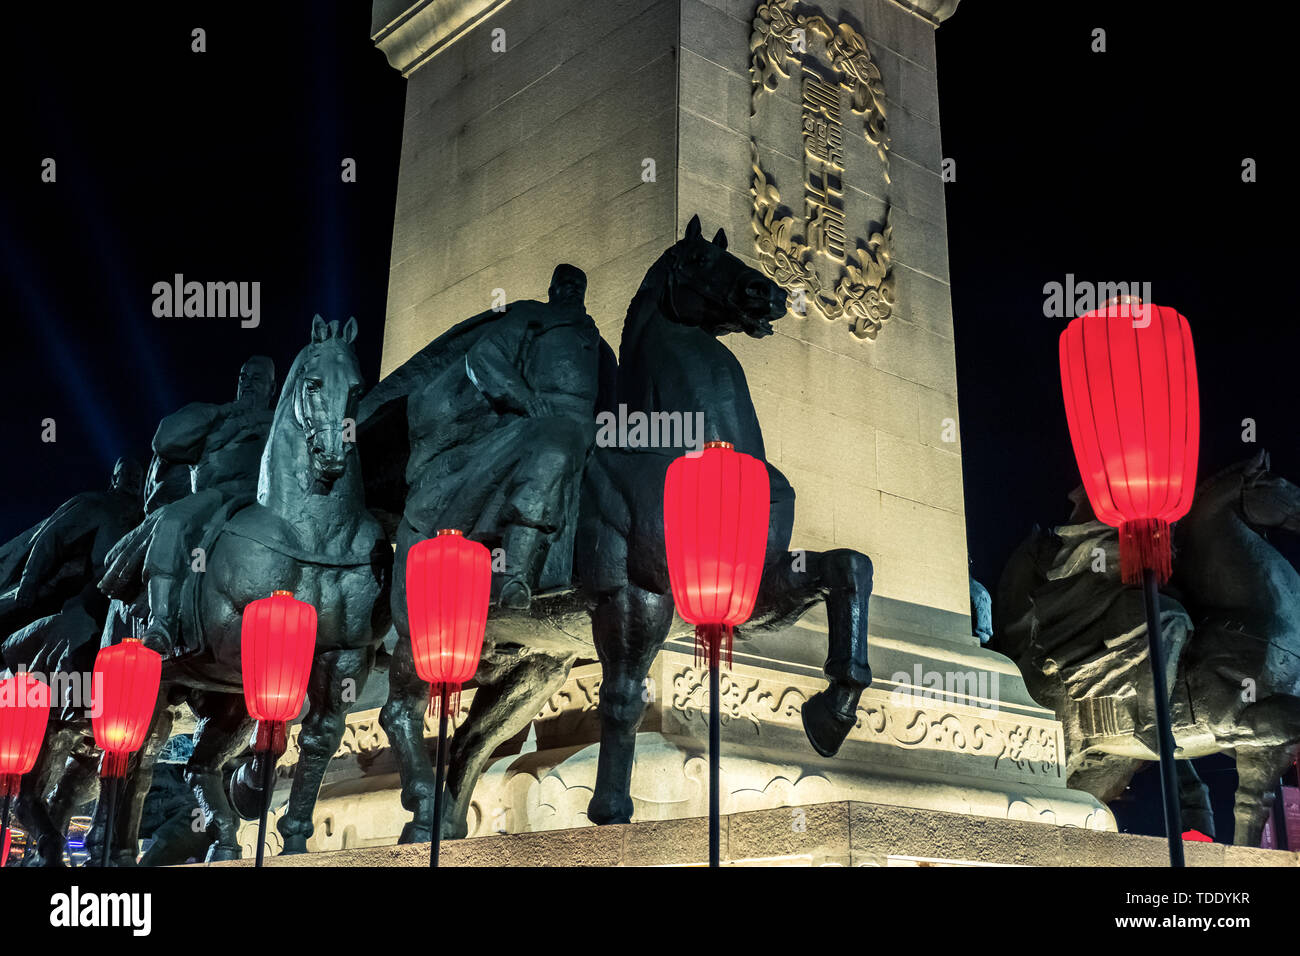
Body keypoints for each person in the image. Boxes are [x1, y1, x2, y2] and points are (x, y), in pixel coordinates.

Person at [405, 265, 601, 608]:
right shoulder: (530, 317)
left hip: (591, 428)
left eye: (579, 286)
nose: (572, 291)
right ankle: (514, 575)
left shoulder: (592, 338)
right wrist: (525, 399)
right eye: (566, 284)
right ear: (552, 289)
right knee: (556, 445)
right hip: (538, 424)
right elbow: (484, 357)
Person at [138, 356, 275, 656]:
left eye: (258, 377)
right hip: (214, 496)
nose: (249, 382)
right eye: (243, 376)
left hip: (264, 498)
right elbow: (165, 440)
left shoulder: (280, 421)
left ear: (272, 386)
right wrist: (226, 412)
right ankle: (161, 621)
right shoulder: (215, 420)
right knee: (173, 521)